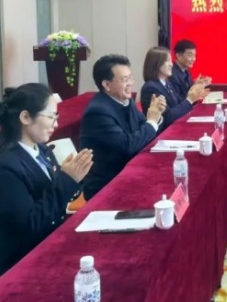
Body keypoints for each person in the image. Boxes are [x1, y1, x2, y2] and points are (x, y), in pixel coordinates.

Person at [0, 83, 93, 274]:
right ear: (25, 117)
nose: (56, 125)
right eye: (51, 117)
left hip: (50, 240)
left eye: (56, 118)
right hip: (22, 261)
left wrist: (75, 177)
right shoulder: (6, 166)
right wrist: (67, 179)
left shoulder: (41, 149)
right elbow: (31, 224)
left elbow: (54, 195)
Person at [81, 54, 166, 199]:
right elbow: (127, 146)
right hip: (107, 186)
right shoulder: (98, 112)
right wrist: (151, 121)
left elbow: (143, 128)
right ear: (107, 85)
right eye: (125, 80)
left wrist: (155, 114)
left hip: (130, 171)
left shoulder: (126, 100)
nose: (130, 83)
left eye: (131, 78)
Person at [140, 47, 209, 127]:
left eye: (171, 61)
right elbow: (168, 117)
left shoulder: (166, 83)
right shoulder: (150, 88)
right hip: (163, 132)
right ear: (156, 64)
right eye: (167, 61)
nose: (171, 64)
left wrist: (194, 95)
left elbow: (179, 102)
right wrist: (189, 100)